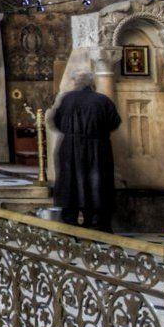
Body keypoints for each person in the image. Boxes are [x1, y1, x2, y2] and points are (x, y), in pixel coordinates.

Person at [50, 71, 122, 232]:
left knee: (71, 183)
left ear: (76, 83)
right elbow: (114, 123)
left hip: (70, 147)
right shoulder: (102, 100)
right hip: (97, 148)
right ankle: (97, 222)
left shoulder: (67, 99)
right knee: (97, 184)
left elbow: (56, 122)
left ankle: (70, 223)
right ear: (92, 83)